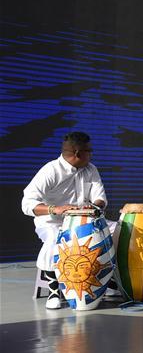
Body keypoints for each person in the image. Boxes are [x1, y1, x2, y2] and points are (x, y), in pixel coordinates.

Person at [22, 131, 120, 309]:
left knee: (119, 231)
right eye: (89, 150)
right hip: (53, 222)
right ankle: (54, 291)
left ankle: (109, 281)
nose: (91, 154)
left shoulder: (91, 169)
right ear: (78, 153)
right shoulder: (51, 170)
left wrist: (92, 207)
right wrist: (56, 209)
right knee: (56, 240)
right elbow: (27, 204)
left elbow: (100, 198)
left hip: (84, 221)